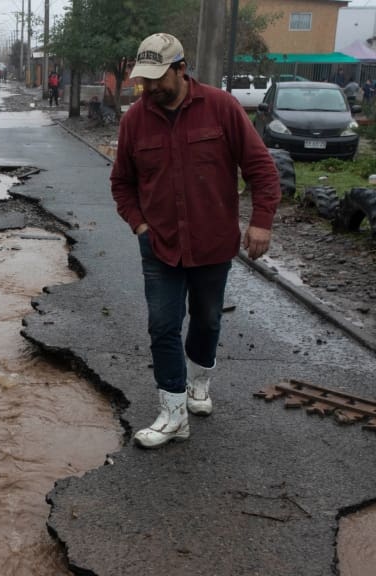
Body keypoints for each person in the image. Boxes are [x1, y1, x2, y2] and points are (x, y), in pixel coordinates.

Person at [110, 33, 281, 449]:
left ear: (181, 69)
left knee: (206, 319)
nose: (149, 88)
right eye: (143, 80)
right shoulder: (135, 119)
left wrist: (261, 221)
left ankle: (198, 383)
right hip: (159, 245)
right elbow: (122, 184)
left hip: (212, 243)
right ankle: (172, 414)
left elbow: (261, 168)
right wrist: (139, 226)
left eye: (157, 78)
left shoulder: (221, 108)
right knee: (163, 325)